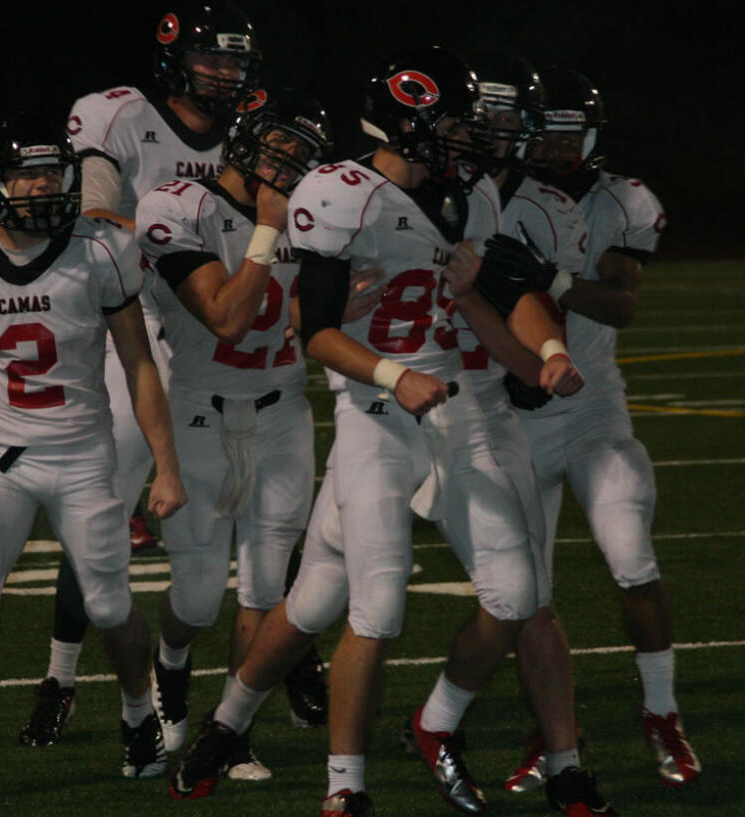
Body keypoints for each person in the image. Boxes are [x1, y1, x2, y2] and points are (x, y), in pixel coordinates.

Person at [168, 46, 596, 817]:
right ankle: (344, 786)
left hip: (457, 410)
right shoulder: (340, 193)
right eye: (458, 125)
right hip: (375, 415)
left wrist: (545, 358)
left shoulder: (474, 199)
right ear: (410, 119)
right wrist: (396, 375)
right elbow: (315, 331)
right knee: (375, 607)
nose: (473, 140)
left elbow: (501, 295)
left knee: (502, 591)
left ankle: (402, 724)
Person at [20, 1, 328, 752]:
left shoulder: (260, 131)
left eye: (235, 61)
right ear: (173, 57)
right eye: (211, 58)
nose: (225, 73)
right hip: (144, 324)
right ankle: (60, 676)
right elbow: (95, 217)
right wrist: (190, 240)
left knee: (274, 504)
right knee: (105, 504)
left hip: (232, 320)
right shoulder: (117, 116)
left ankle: (289, 662)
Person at [0, 115, 186, 807]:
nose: (40, 186)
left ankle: (137, 716)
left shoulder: (100, 251)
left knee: (112, 604)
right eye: (25, 172)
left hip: (83, 451)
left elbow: (138, 362)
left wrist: (166, 466)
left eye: (50, 171)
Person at [135, 86, 333, 781]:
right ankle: (173, 661)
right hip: (199, 412)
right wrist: (270, 231)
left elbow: (318, 306)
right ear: (244, 139)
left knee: (262, 587)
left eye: (300, 155)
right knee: (194, 598)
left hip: (282, 411)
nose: (286, 163)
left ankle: (232, 729)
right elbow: (224, 316)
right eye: (277, 145)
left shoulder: (310, 214)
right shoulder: (174, 206)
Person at [522, 65, 701, 788]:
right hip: (518, 409)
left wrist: (554, 280)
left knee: (633, 558)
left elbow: (622, 304)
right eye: (547, 133)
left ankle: (662, 711)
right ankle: (553, 732)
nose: (558, 149)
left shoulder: (624, 200)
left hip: (593, 403)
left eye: (571, 135)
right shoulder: (496, 198)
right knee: (522, 592)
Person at [452, 54, 595, 798]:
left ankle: (561, 756)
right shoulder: (431, 184)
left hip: (513, 413)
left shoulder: (547, 207)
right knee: (337, 587)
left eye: (513, 120)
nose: (501, 132)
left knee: (528, 595)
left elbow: (531, 298)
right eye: (491, 117)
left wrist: (545, 353)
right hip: (424, 405)